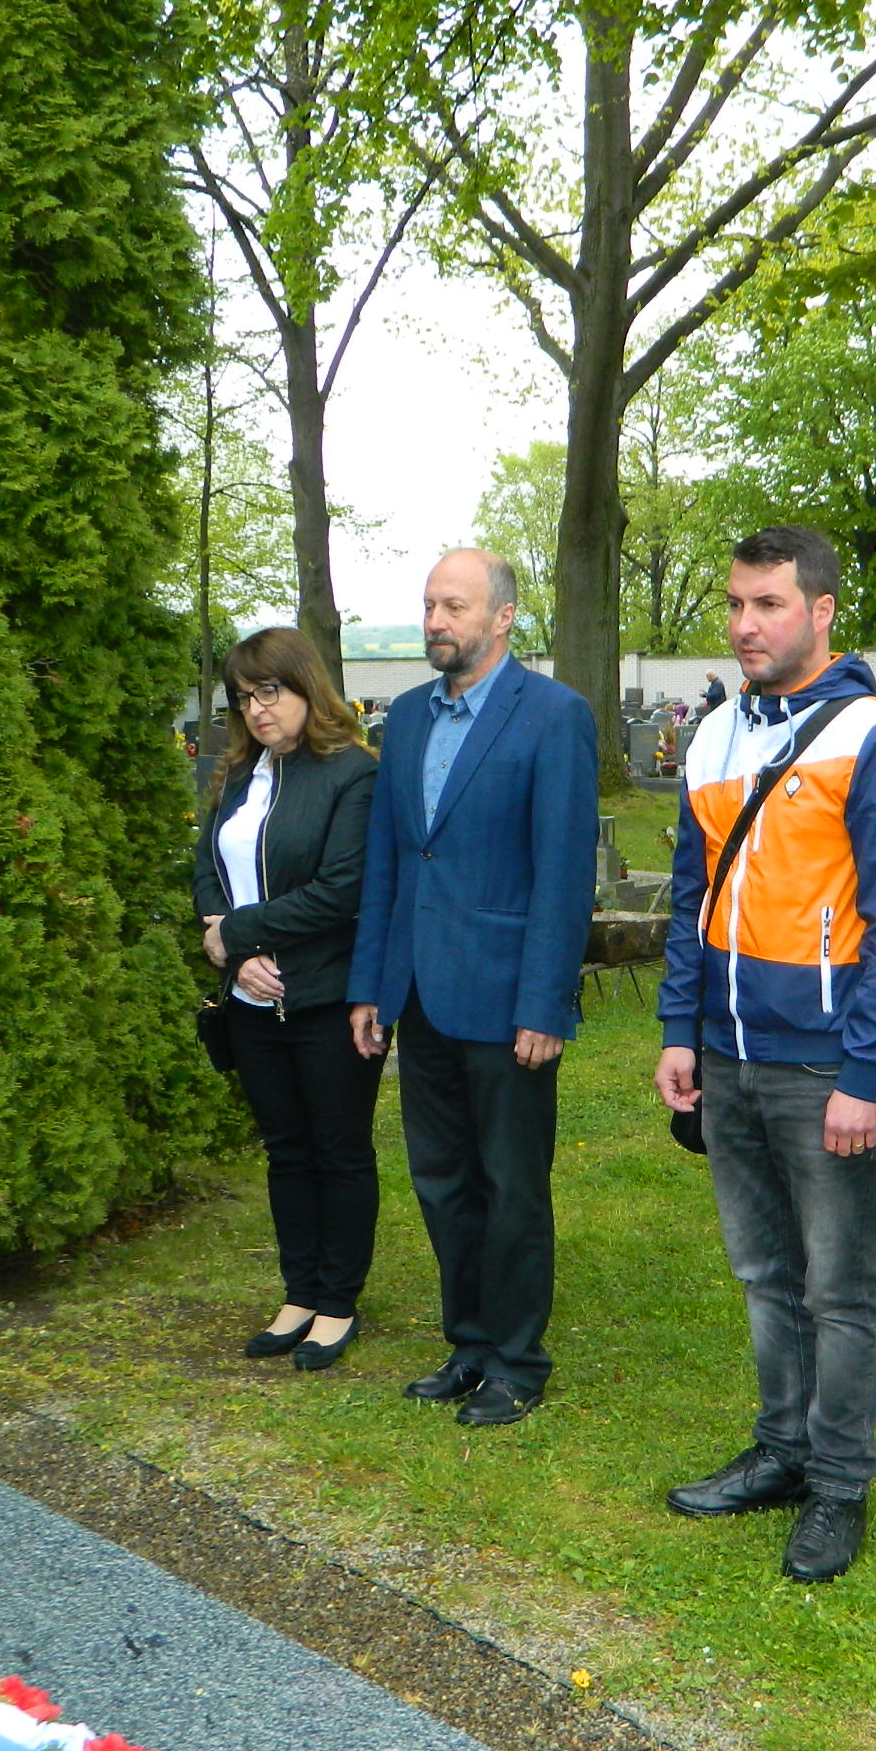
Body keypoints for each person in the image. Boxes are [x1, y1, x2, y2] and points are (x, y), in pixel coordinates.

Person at [654, 526, 876, 1584]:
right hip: (726, 1054)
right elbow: (692, 901)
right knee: (764, 1272)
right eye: (736, 604)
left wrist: (867, 1074)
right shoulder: (715, 735)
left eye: (768, 604)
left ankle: (839, 1486)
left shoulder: (874, 738)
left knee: (838, 1288)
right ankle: (782, 1451)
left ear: (821, 612)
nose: (745, 624)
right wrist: (679, 1031)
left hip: (824, 1066)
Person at [349, 548, 598, 1428]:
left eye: (453, 606)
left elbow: (563, 874)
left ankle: (518, 1363)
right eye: (429, 605)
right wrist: (372, 986)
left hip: (505, 997)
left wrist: (544, 1003)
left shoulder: (554, 716)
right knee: (442, 1180)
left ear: (502, 618)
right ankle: (469, 1344)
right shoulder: (408, 719)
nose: (435, 622)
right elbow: (389, 860)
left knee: (511, 1187)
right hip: (421, 992)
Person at [191, 628, 387, 1372]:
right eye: (243, 697)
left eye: (269, 691)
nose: (256, 709)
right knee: (286, 1152)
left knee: (338, 1151)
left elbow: (341, 891)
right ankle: (300, 1292)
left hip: (328, 998)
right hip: (250, 1003)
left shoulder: (352, 775)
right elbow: (206, 869)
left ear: (307, 686)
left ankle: (338, 1301)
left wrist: (237, 933)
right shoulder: (240, 774)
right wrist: (235, 953)